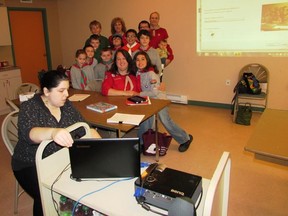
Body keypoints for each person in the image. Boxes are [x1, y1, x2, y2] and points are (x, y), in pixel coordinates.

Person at [11, 70, 101, 216]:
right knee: (45, 194)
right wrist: (53, 132)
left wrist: (103, 148)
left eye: (67, 89)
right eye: (61, 91)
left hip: (59, 159)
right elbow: (30, 133)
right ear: (46, 91)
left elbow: (85, 128)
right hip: (29, 163)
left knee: (85, 181)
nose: (66, 94)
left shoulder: (66, 105)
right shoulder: (30, 107)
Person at [133, 51, 193, 152]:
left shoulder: (151, 73)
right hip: (148, 101)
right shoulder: (138, 73)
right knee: (146, 121)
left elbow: (155, 92)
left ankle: (185, 139)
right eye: (137, 60)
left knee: (166, 121)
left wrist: (138, 94)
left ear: (147, 60)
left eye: (143, 59)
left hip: (159, 101)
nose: (140, 62)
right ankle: (142, 143)